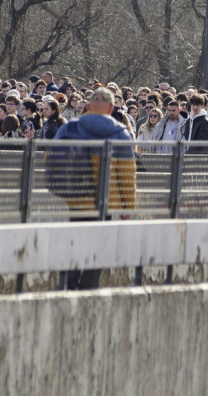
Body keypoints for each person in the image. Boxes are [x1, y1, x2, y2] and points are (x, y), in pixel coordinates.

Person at [53, 87, 137, 290]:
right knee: (98, 245)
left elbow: (52, 158)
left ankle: (68, 284)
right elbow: (127, 174)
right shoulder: (121, 133)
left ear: (88, 106)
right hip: (105, 200)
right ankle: (89, 287)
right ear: (110, 109)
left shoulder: (70, 127)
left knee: (75, 240)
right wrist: (128, 207)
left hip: (77, 197)